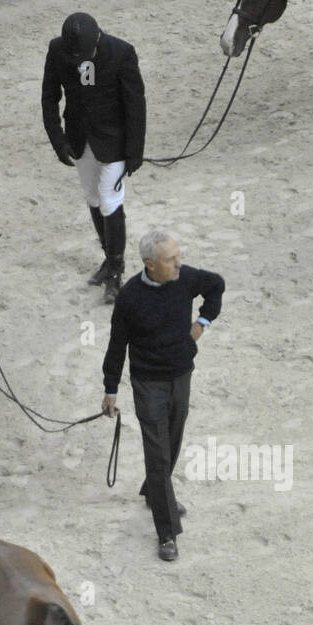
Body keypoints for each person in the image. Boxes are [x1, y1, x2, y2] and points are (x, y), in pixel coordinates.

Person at [101, 229, 224, 562]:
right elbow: (117, 345)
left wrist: (201, 322)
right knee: (157, 452)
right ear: (150, 265)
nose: (178, 265)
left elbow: (216, 285)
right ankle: (167, 531)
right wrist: (110, 388)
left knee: (171, 439)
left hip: (181, 375)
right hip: (148, 383)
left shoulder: (185, 279)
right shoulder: (129, 298)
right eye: (171, 260)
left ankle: (153, 490)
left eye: (178, 256)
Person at [41, 11, 146, 302]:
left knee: (110, 199)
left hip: (114, 142)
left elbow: (135, 103)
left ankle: (116, 270)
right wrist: (58, 140)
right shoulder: (57, 50)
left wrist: (135, 151)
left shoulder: (122, 53)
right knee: (92, 198)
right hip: (79, 138)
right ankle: (108, 258)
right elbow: (49, 96)